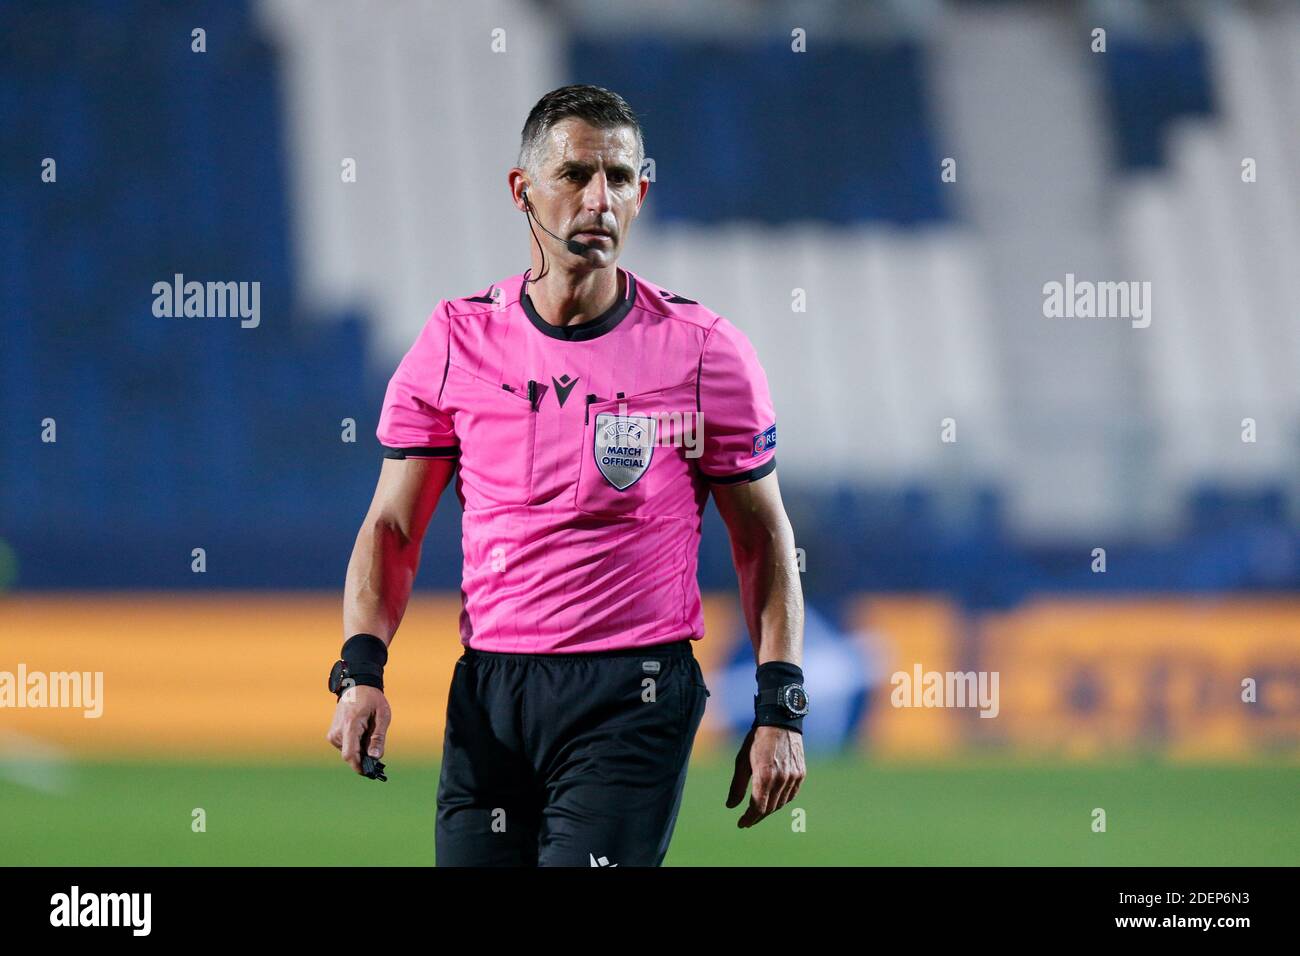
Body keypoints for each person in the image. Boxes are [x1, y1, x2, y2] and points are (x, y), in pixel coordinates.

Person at [326, 84, 808, 866]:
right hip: (492, 695)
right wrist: (360, 670)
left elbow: (762, 536)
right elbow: (392, 526)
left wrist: (780, 704)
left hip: (634, 692)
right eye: (576, 175)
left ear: (642, 192)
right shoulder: (454, 343)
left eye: (620, 178)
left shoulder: (706, 354)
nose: (599, 199)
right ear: (522, 192)